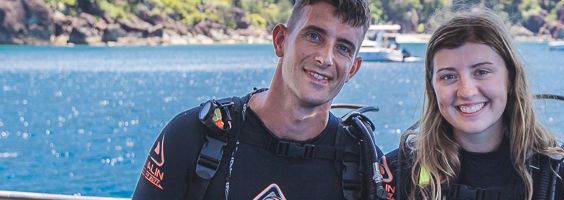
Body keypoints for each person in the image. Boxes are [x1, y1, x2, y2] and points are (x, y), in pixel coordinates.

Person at [132, 0, 385, 199]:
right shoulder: (194, 136)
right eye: (314, 36)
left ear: (353, 69)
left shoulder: (363, 164)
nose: (325, 58)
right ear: (280, 41)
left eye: (343, 48)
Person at [379, 8, 564, 200]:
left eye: (482, 72)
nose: (467, 91)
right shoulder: (399, 172)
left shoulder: (551, 175)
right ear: (433, 87)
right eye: (449, 76)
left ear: (510, 79)